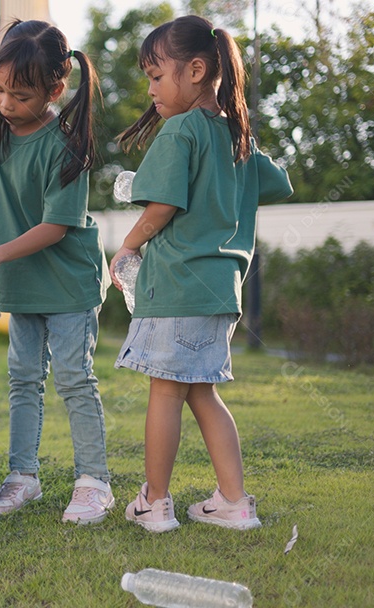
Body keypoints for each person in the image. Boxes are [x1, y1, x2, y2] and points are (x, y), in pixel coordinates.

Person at [0, 20, 113, 525]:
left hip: (70, 284)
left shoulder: (67, 143)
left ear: (56, 89)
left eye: (20, 94)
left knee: (75, 378)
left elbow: (55, 227)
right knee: (23, 379)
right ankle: (23, 477)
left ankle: (94, 482)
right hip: (22, 286)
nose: (5, 103)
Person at [111, 15, 293, 533]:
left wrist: (127, 246)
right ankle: (233, 502)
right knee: (201, 392)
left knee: (164, 393)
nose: (150, 91)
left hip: (178, 285)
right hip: (221, 292)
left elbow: (161, 205)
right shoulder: (235, 135)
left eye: (155, 76)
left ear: (195, 70)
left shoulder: (181, 130)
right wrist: (236, 147)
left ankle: (156, 502)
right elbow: (277, 184)